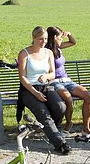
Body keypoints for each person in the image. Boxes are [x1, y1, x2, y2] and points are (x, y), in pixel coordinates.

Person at [17, 26, 71, 155]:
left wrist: (46, 76)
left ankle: (50, 130)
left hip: (46, 86)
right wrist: (35, 93)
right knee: (44, 114)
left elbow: (52, 73)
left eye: (45, 39)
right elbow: (22, 77)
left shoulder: (48, 53)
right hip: (29, 89)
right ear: (34, 38)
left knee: (60, 107)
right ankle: (60, 144)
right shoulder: (24, 53)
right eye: (40, 39)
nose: (43, 42)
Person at [45, 26, 90, 134]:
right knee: (68, 98)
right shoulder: (45, 51)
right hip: (54, 82)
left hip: (67, 80)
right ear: (53, 38)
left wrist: (68, 34)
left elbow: (73, 42)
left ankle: (86, 128)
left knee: (87, 96)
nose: (62, 39)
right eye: (60, 37)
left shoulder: (59, 47)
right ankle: (68, 125)